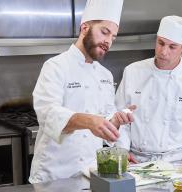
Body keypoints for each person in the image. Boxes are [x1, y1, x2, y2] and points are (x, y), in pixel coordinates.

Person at [29, 0, 134, 183]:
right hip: (53, 174)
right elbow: (47, 114)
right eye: (104, 32)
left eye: (113, 37)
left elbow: (105, 118)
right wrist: (88, 120)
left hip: (90, 172)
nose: (108, 41)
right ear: (85, 28)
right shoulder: (55, 67)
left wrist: (114, 122)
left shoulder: (106, 75)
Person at [115, 15, 182, 172]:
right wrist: (122, 152)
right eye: (161, 43)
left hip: (177, 164)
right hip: (135, 162)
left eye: (172, 47)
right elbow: (120, 119)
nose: (164, 52)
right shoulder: (133, 72)